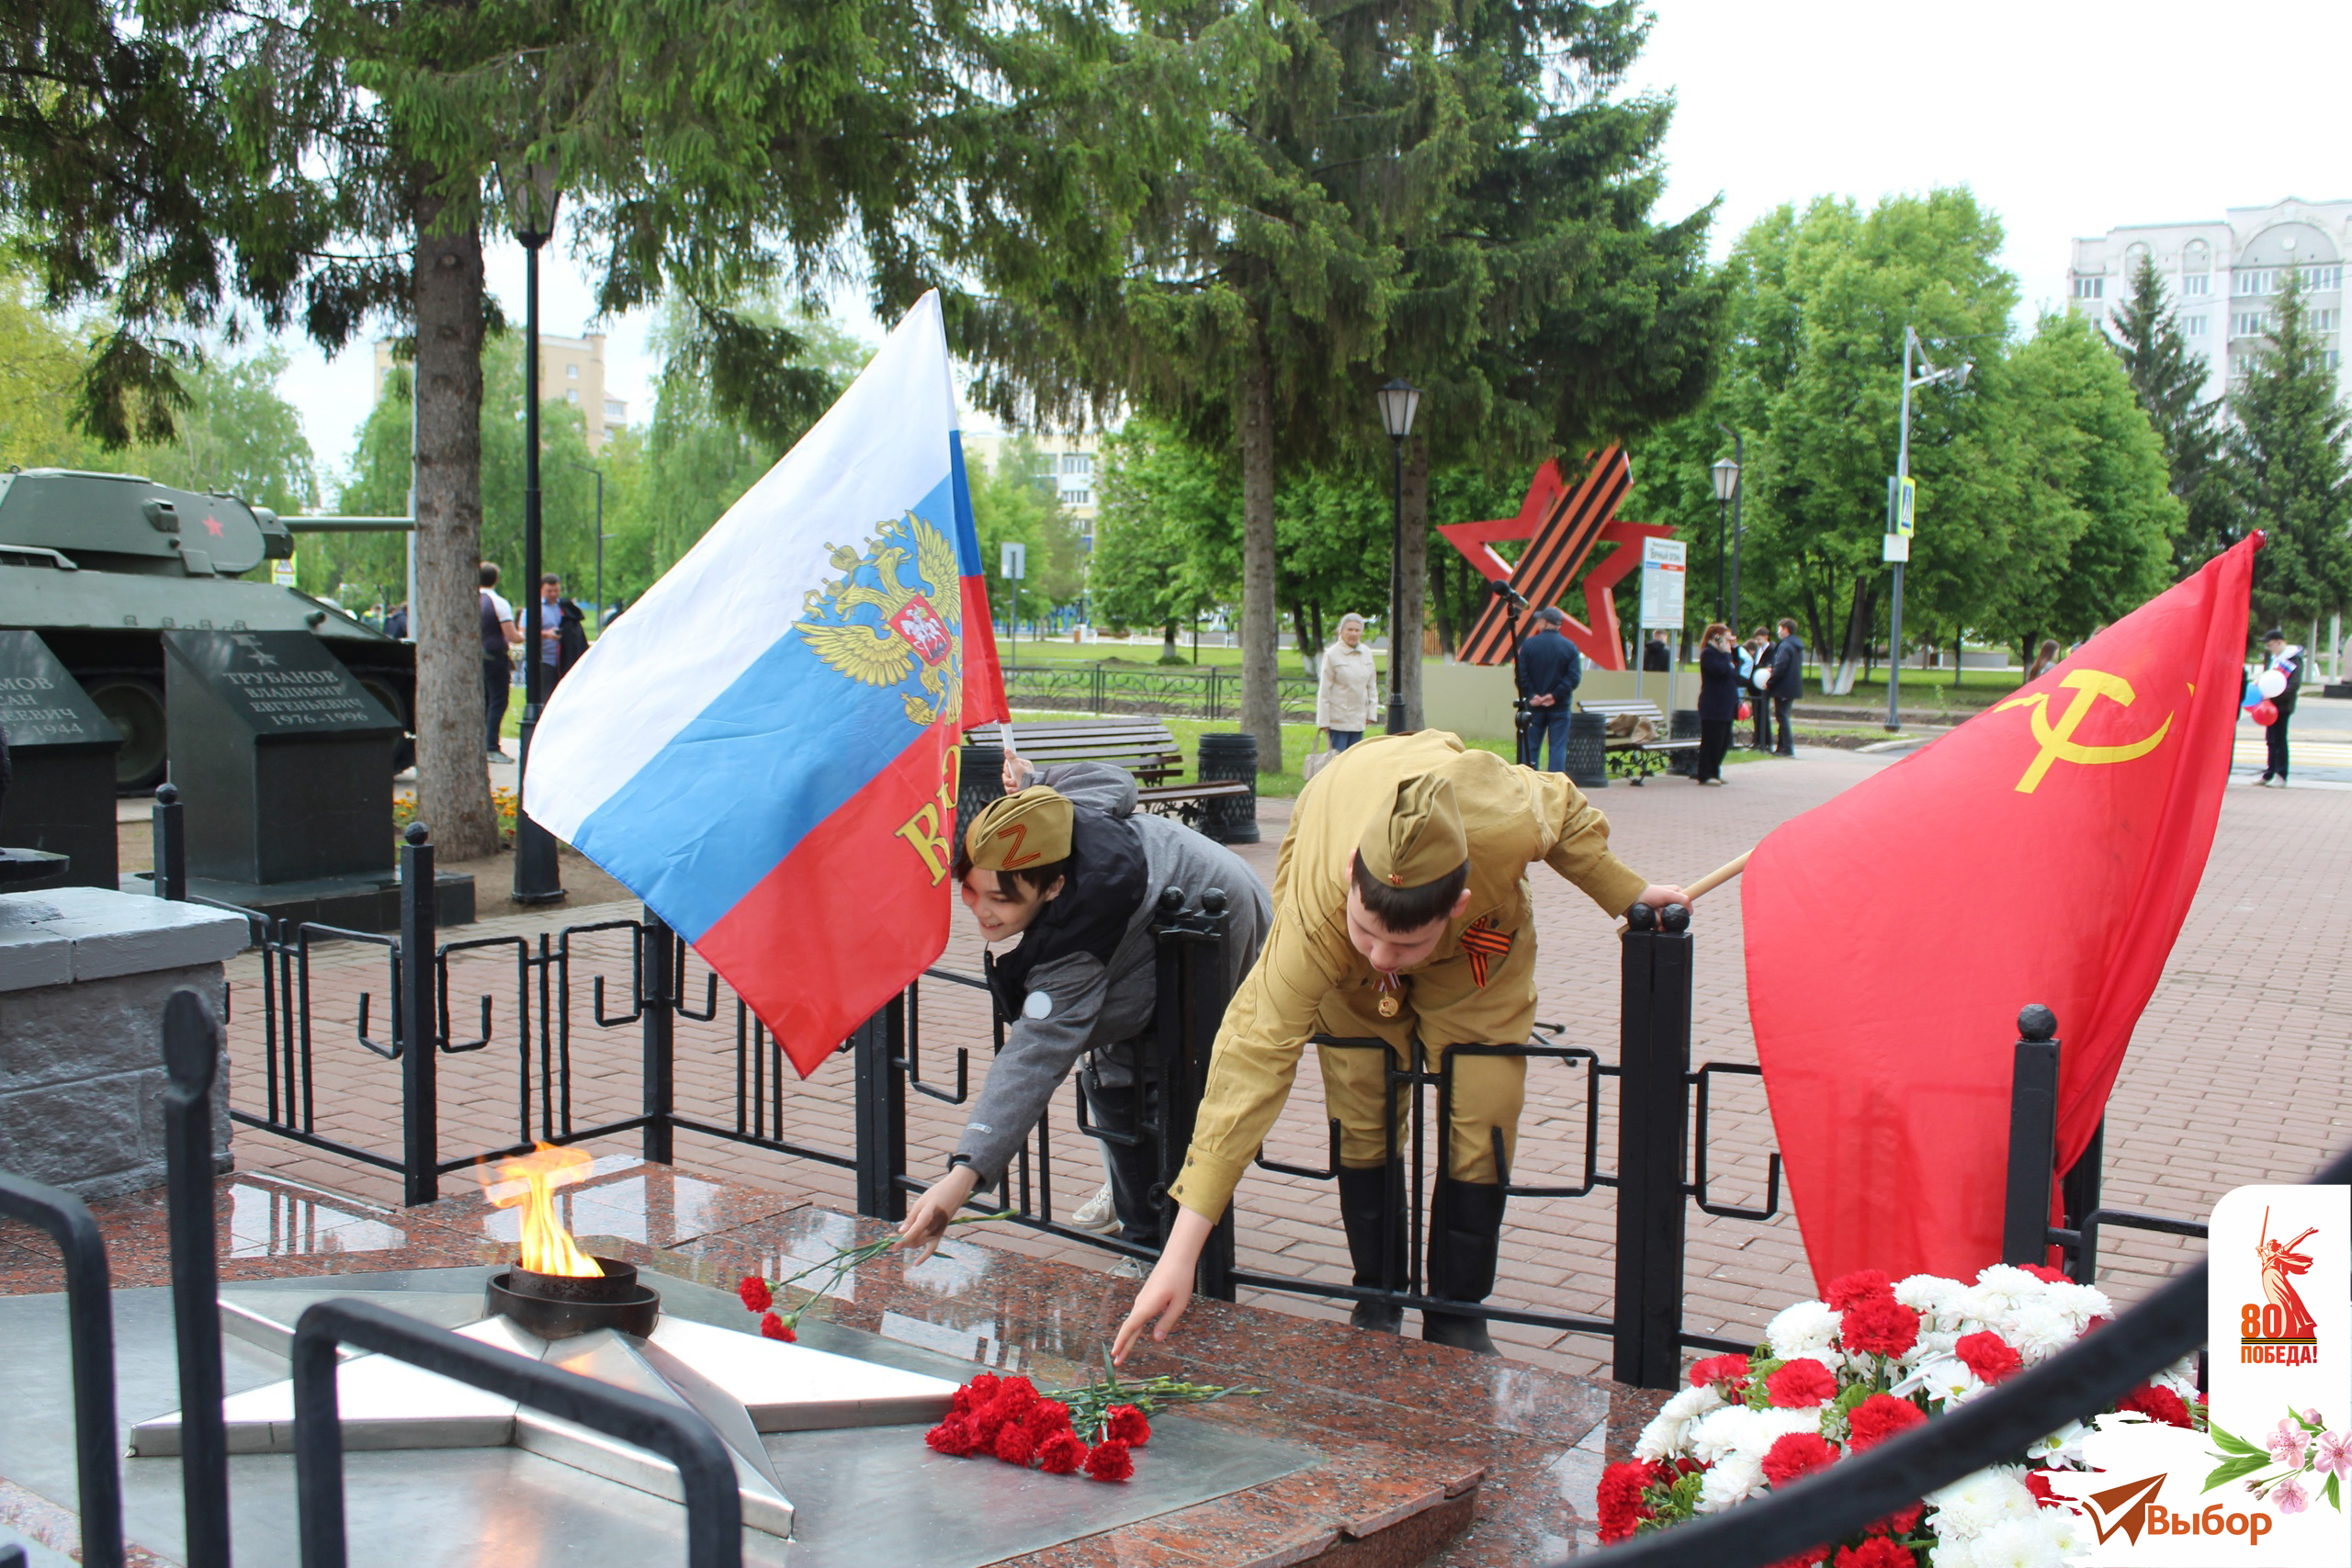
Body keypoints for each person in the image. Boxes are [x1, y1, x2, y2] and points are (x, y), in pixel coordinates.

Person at [1112, 730, 1688, 1360]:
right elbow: (1253, 1056)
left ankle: (1458, 1311)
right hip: (1342, 888)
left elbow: (1564, 809)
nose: (1384, 957)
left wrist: (1625, 892)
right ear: (1351, 872)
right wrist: (1180, 1254)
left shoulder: (1500, 818)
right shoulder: (1321, 912)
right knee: (1361, 1091)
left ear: (1457, 902)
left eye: (1406, 944)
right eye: (1370, 931)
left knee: (1486, 1101)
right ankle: (1377, 1291)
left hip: (1477, 949)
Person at [896, 756, 1272, 1259]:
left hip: (1215, 920)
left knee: (1152, 1076)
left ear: (1053, 887)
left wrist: (962, 1176)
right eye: (971, 890)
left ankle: (1155, 1244)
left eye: (1002, 899)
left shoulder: (1076, 948)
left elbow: (1033, 1058)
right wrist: (1031, 785)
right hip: (1169, 911)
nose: (982, 910)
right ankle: (1139, 1201)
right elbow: (1110, 779)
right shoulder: (1055, 818)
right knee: (1117, 1067)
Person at [1514, 606, 1583, 771]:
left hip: (1534, 707)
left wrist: (1532, 695)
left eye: (1539, 621)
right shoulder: (1570, 647)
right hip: (1560, 707)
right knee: (1558, 748)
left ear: (1544, 623)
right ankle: (1556, 782)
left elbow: (1521, 675)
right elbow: (1573, 677)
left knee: (1530, 748)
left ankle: (1530, 780)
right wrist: (1554, 696)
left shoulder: (1529, 645)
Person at [1315, 613, 1380, 753]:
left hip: (1359, 720)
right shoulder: (1332, 654)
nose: (1353, 634)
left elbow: (1371, 686)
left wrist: (1371, 713)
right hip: (1338, 721)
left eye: (1357, 630)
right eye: (1349, 629)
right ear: (1341, 631)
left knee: (1354, 759)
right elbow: (1324, 690)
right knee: (1338, 759)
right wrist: (1323, 721)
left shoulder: (1367, 653)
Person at [480, 564, 522, 756]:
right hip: (494, 656)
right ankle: (491, 745)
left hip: (474, 657)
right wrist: (525, 635)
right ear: (496, 579)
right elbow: (512, 636)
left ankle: (480, 740)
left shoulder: (469, 600)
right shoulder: (498, 603)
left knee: (482, 700)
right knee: (498, 700)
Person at [2256, 626, 2303, 786]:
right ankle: (2269, 773)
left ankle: (2281, 775)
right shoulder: (2276, 659)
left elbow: (2293, 686)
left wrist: (2274, 697)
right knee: (2271, 740)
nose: (2268, 648)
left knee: (2279, 740)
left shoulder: (2293, 659)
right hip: (2270, 705)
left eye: (2269, 645)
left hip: (2282, 706)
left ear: (2279, 642)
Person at [1695, 623, 1740, 785]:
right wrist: (1727, 654)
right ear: (1717, 638)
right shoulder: (1709, 653)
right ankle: (1705, 773)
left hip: (1727, 703)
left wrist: (1734, 650)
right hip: (1713, 703)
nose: (1729, 643)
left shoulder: (1724, 654)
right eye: (1727, 639)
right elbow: (1720, 670)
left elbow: (1735, 671)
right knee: (1712, 740)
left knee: (1723, 740)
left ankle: (1715, 771)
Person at [537, 573, 590, 691]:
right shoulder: (536, 609)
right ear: (541, 590)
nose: (553, 594)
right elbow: (525, 634)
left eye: (556, 590)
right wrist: (546, 634)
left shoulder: (565, 607)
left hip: (565, 659)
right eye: (549, 591)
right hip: (545, 660)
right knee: (547, 695)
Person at [1764, 618, 1804, 758]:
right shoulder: (1795, 645)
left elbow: (1781, 666)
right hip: (1791, 686)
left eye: (1779, 629)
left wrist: (1770, 682)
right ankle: (1782, 747)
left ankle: (1787, 748)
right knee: (1783, 715)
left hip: (1783, 687)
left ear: (1786, 629)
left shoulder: (1785, 646)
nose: (1778, 632)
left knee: (1782, 716)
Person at [1744, 628, 1773, 750]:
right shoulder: (1759, 650)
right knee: (1757, 714)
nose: (1757, 641)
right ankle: (1757, 740)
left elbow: (1768, 665)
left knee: (1763, 714)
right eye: (1756, 639)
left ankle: (1766, 741)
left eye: (1759, 639)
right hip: (1755, 687)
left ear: (1766, 637)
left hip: (1763, 686)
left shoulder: (1771, 649)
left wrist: (1758, 668)